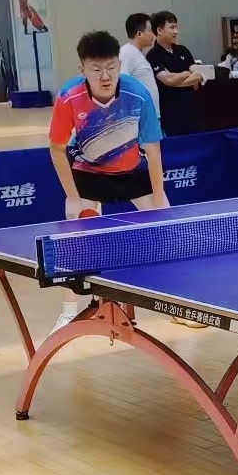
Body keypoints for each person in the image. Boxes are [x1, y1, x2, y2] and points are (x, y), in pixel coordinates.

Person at [49, 31, 167, 334]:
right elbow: (57, 148)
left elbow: (153, 149)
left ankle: (176, 306)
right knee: (74, 238)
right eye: (96, 69)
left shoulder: (137, 93)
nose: (105, 76)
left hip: (132, 171)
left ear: (119, 64)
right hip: (89, 173)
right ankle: (68, 312)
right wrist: (72, 197)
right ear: (82, 69)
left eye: (111, 67)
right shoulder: (69, 96)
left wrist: (159, 198)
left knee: (168, 230)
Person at [148, 10, 204, 136]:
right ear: (159, 30)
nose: (176, 31)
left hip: (192, 112)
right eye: (172, 27)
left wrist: (175, 81)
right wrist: (187, 73)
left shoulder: (183, 50)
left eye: (176, 27)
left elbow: (198, 76)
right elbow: (167, 80)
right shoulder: (153, 55)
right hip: (171, 115)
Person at [118, 13, 160, 113]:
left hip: (150, 113)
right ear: (139, 34)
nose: (153, 34)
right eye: (150, 30)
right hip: (139, 114)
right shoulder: (127, 53)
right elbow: (121, 82)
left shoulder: (137, 53)